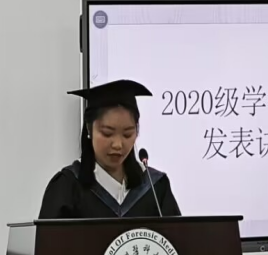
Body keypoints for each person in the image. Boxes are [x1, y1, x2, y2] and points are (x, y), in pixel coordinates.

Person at [38, 79, 182, 219]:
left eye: (127, 134)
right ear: (89, 128)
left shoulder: (155, 187)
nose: (118, 144)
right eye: (107, 133)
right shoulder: (66, 187)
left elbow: (176, 235)